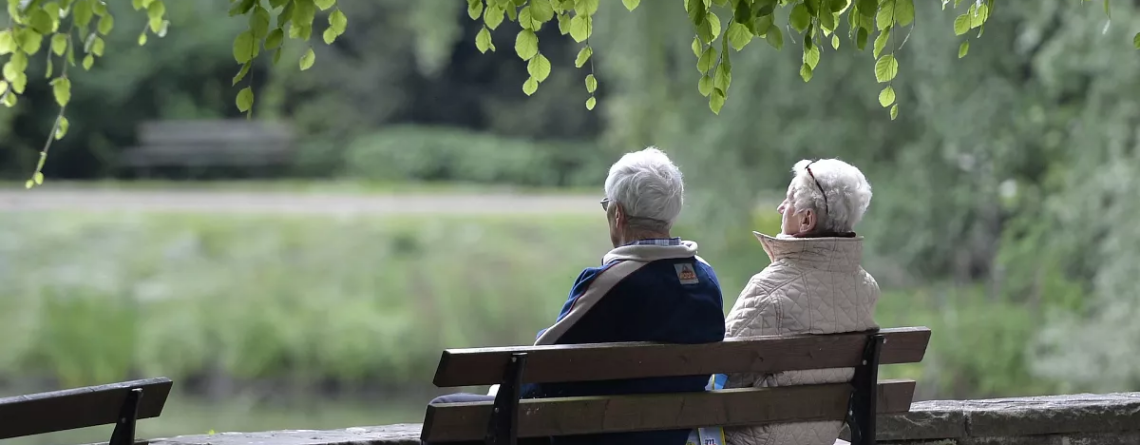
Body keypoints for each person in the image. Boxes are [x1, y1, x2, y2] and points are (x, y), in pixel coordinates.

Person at [426, 147, 726, 445]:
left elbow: (538, 360)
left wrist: (497, 397)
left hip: (595, 436)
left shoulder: (615, 281)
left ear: (618, 214)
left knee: (447, 410)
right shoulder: (706, 280)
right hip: (665, 436)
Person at [722, 159, 879, 445]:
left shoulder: (769, 289)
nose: (781, 208)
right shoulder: (866, 288)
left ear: (806, 220)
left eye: (789, 200)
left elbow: (720, 372)